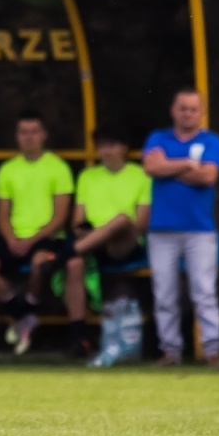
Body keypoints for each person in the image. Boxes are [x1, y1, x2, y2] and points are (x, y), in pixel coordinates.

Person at [0, 112, 73, 355]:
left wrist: (31, 240)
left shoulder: (59, 168)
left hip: (46, 237)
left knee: (40, 264)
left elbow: (60, 217)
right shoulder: (7, 169)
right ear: (17, 136)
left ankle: (26, 315)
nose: (28, 137)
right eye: (23, 132)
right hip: (14, 237)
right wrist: (11, 239)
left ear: (44, 135)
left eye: (34, 131)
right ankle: (23, 317)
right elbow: (2, 215)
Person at [142, 90, 219, 366]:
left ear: (201, 112)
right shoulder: (157, 138)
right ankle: (171, 351)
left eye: (193, 109)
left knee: (204, 292)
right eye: (182, 108)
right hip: (161, 231)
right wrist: (188, 165)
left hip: (199, 230)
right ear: (173, 110)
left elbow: (209, 177)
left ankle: (212, 350)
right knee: (164, 294)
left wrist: (168, 167)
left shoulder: (212, 141)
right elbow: (150, 167)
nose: (187, 113)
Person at [59, 126, 152, 358]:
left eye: (111, 145)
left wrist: (106, 232)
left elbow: (140, 224)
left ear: (124, 148)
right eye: (101, 146)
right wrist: (92, 234)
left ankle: (62, 255)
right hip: (93, 243)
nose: (106, 151)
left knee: (121, 219)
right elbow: (77, 222)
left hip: (125, 242)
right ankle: (79, 338)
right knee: (73, 264)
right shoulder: (87, 176)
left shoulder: (141, 175)